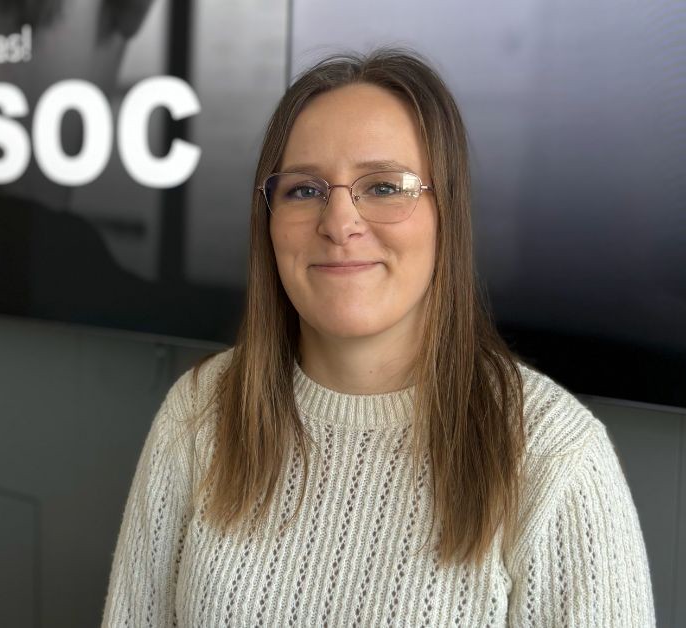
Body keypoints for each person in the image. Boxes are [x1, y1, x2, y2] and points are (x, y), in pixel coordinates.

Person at [101, 46, 657, 627]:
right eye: (304, 190)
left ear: (447, 214)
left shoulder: (554, 456)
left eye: (385, 187)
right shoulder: (200, 413)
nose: (340, 223)